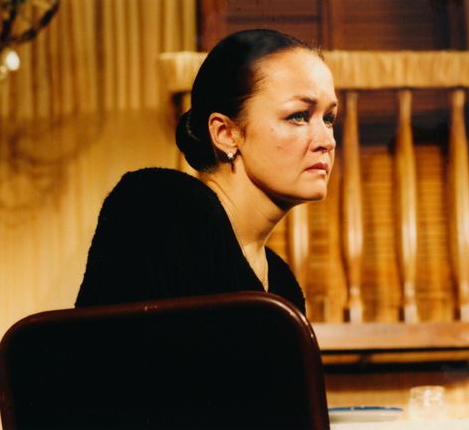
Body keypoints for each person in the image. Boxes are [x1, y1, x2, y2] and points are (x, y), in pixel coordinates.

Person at [75, 29, 338, 314]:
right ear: (226, 133)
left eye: (328, 119)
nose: (327, 141)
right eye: (298, 116)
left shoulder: (283, 286)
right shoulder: (156, 206)